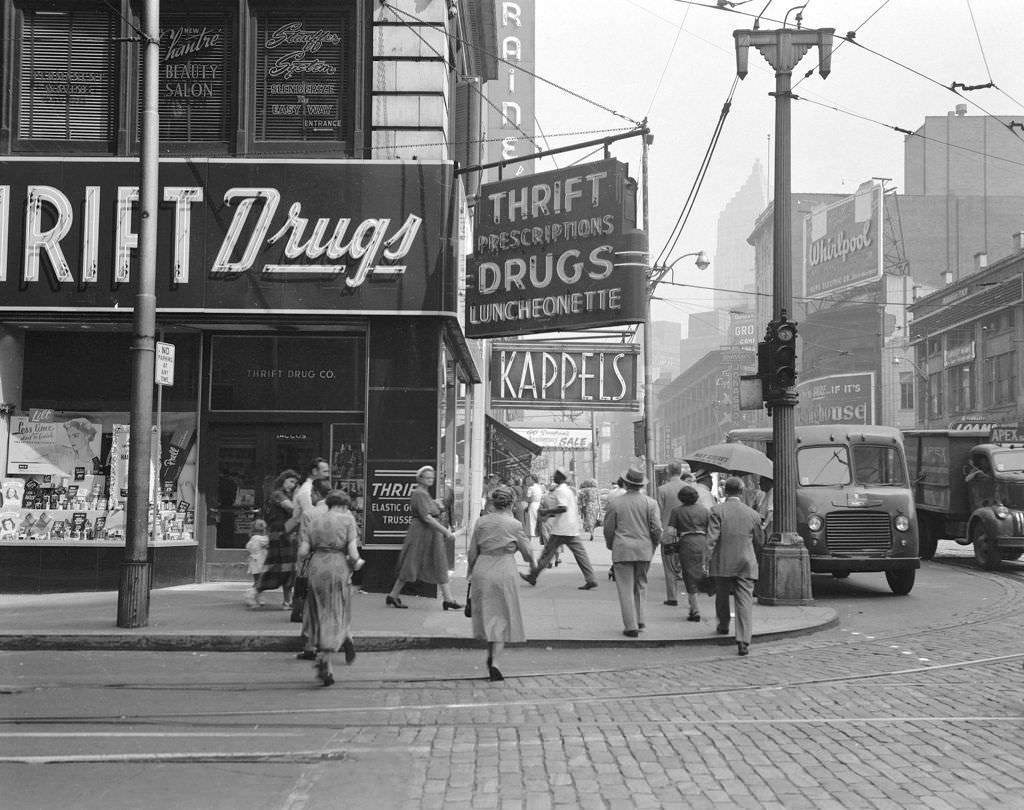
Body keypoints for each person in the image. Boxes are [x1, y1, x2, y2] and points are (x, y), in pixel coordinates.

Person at [467, 485, 535, 682]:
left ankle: (491, 655)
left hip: (482, 568)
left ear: (493, 503)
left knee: (488, 614)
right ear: (511, 503)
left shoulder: (481, 522)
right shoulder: (513, 525)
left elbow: (472, 552)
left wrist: (471, 572)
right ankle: (495, 661)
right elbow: (527, 552)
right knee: (503, 615)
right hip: (504, 569)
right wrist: (531, 562)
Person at [301, 490, 365, 686]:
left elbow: (303, 551)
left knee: (318, 610)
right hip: (337, 567)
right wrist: (358, 563)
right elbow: (353, 552)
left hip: (316, 566)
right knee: (335, 611)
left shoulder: (314, 521)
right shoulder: (347, 520)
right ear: (344, 505)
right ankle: (326, 655)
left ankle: (325, 663)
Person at [386, 465, 461, 610]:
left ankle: (394, 595)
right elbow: (426, 517)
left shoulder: (422, 493)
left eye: (431, 477)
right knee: (428, 562)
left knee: (417, 563)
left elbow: (427, 515)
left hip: (426, 532)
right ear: (420, 478)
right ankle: (448, 599)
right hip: (423, 532)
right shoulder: (420, 493)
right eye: (427, 477)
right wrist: (445, 531)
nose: (430, 480)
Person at [706, 476, 765, 656]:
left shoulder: (717, 511)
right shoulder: (753, 514)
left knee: (722, 596)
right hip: (746, 562)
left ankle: (724, 624)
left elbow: (711, 539)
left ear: (725, 491)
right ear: (741, 491)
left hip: (723, 561)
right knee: (744, 601)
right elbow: (760, 541)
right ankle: (743, 640)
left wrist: (706, 560)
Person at [602, 466, 662, 637]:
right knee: (641, 585)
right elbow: (656, 528)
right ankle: (640, 619)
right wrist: (653, 545)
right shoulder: (651, 503)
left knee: (625, 588)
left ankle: (631, 626)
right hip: (644, 549)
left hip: (622, 549)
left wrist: (611, 544)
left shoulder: (615, 503)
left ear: (626, 483)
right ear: (641, 485)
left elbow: (608, 528)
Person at [520, 468, 597, 590]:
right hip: (571, 527)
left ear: (561, 478)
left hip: (561, 528)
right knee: (581, 555)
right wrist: (550, 514)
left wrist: (547, 511)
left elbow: (563, 508)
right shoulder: (568, 490)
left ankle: (533, 575)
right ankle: (590, 578)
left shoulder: (560, 491)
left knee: (546, 554)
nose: (554, 477)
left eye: (556, 475)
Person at [247, 469, 300, 609]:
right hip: (279, 534)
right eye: (291, 481)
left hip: (289, 534)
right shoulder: (278, 494)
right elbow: (292, 509)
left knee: (289, 569)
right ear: (283, 480)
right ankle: (254, 593)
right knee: (275, 568)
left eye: (295, 483)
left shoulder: (289, 495)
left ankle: (287, 601)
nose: (293, 485)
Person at [667, 486, 711, 622]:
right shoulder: (705, 511)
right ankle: (697, 603)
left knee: (689, 575)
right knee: (701, 572)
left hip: (686, 543)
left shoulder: (677, 511)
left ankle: (695, 609)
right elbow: (711, 529)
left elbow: (670, 531)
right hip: (703, 541)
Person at [656, 462, 687, 606]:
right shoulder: (689, 488)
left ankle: (672, 597)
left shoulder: (662, 489)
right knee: (687, 566)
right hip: (686, 534)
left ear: (668, 472)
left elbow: (659, 512)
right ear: (680, 472)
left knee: (669, 567)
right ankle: (691, 599)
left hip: (668, 533)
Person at [245, 519, 269, 594]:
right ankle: (251, 596)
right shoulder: (263, 539)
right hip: (260, 561)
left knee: (257, 580)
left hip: (253, 560)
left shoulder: (253, 538)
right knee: (260, 581)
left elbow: (248, 547)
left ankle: (254, 596)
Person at [524, 473, 544, 541]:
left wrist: (526, 499)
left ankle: (531, 537)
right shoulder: (539, 487)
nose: (528, 481)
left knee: (531, 522)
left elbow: (529, 499)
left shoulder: (530, 488)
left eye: (529, 479)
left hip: (532, 505)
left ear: (533, 480)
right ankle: (538, 534)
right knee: (537, 521)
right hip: (538, 505)